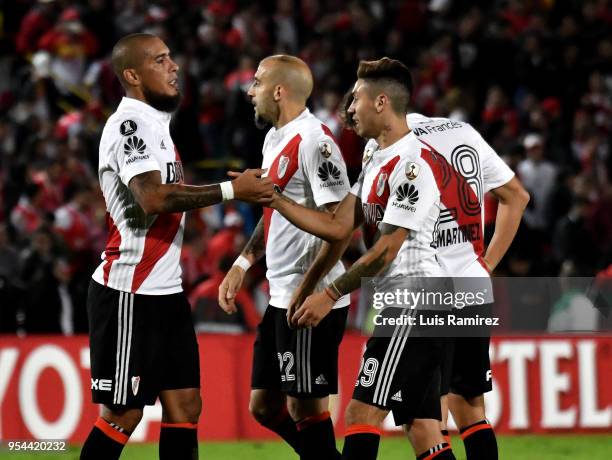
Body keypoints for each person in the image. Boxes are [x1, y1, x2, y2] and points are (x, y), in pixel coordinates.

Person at [80, 33, 273, 460]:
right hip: (128, 293)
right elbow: (152, 197)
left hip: (166, 294)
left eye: (171, 57)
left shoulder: (158, 126)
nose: (174, 66)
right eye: (160, 60)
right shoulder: (128, 125)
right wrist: (230, 190)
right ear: (132, 74)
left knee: (186, 407)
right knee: (122, 416)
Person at [271, 57, 457, 460]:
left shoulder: (412, 166)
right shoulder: (375, 153)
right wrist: (275, 199)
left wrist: (330, 293)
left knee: (361, 411)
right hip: (410, 301)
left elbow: (386, 251)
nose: (349, 108)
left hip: (416, 301)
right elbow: (341, 225)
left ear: (381, 102)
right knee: (423, 427)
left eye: (356, 99)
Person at [218, 54, 351, 459]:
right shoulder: (273, 138)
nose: (249, 91)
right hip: (281, 296)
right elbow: (271, 211)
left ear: (279, 91)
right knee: (264, 406)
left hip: (311, 297)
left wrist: (313, 291)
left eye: (257, 83)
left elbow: (339, 229)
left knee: (304, 407)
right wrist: (242, 263)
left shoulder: (317, 142)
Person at [380, 112, 529, 460]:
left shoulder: (390, 143)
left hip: (426, 291)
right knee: (471, 406)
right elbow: (517, 196)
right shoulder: (462, 130)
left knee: (425, 417)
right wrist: (487, 263)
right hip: (472, 283)